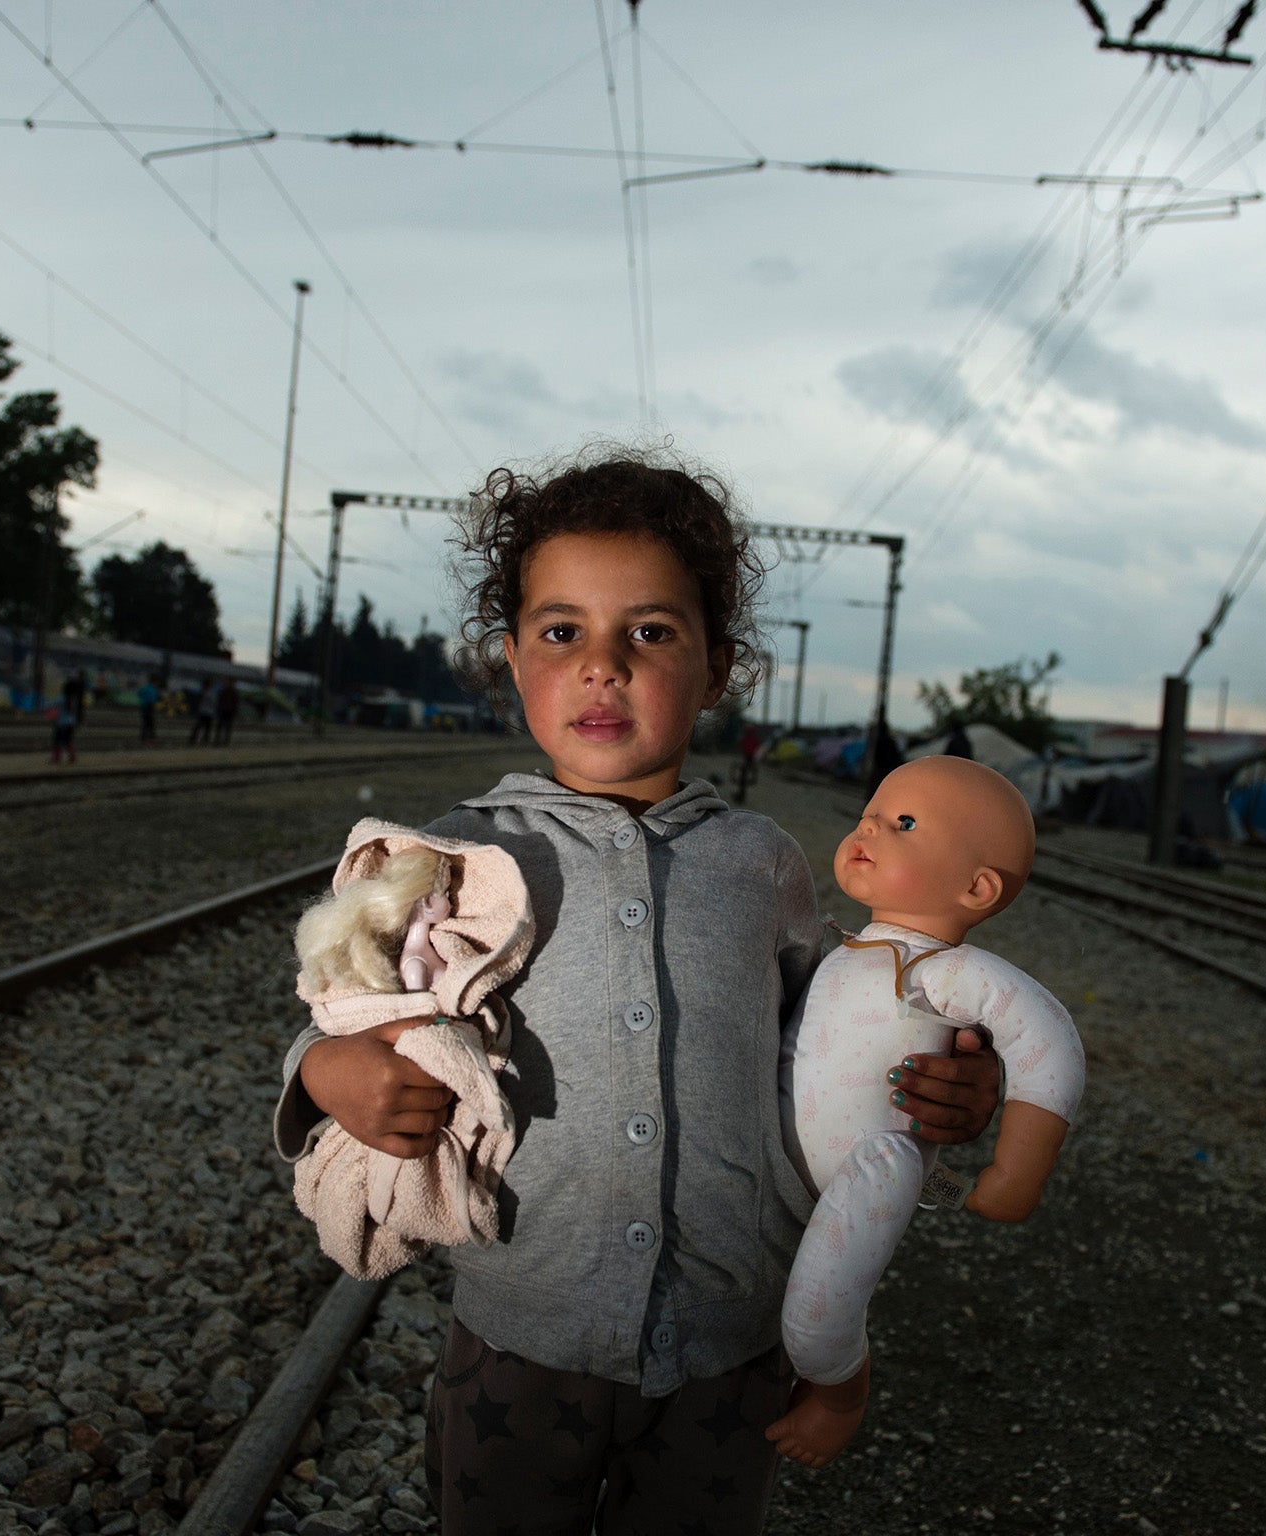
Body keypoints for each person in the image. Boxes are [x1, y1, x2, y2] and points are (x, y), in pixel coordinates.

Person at [273, 447, 1003, 1535]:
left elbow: (841, 1032)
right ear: (512, 659)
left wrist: (953, 1079)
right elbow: (347, 1009)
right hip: (523, 1330)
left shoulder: (761, 864)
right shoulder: (456, 858)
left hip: (728, 1339)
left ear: (714, 669)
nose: (600, 666)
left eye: (649, 633)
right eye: (560, 631)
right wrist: (327, 1074)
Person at [769, 756, 1083, 1468]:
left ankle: (841, 1390)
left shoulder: (944, 974)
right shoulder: (845, 947)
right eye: (871, 813)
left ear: (977, 888)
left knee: (815, 1324)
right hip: (776, 1171)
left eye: (903, 823)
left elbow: (1051, 1045)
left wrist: (1016, 1169)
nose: (870, 826)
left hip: (870, 1170)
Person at [188, 678, 218, 745]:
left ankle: (198, 740)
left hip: (205, 712)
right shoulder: (209, 692)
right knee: (203, 727)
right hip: (206, 712)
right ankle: (201, 740)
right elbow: (214, 702)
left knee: (201, 727)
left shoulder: (204, 692)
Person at [48, 699, 78, 765]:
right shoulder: (73, 700)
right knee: (67, 741)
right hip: (70, 723)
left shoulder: (62, 699)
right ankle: (72, 756)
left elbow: (51, 704)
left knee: (57, 741)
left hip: (61, 723)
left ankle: (57, 757)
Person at [137, 673, 160, 746]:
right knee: (150, 724)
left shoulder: (145, 687)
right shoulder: (152, 689)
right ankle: (150, 739)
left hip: (144, 706)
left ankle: (144, 739)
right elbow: (154, 698)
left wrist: (142, 700)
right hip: (149, 707)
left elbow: (139, 693)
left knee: (146, 724)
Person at [215, 677, 240, 745]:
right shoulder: (225, 691)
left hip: (229, 711)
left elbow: (236, 703)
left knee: (227, 727)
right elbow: (220, 701)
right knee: (221, 727)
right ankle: (219, 740)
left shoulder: (233, 692)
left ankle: (225, 741)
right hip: (224, 710)